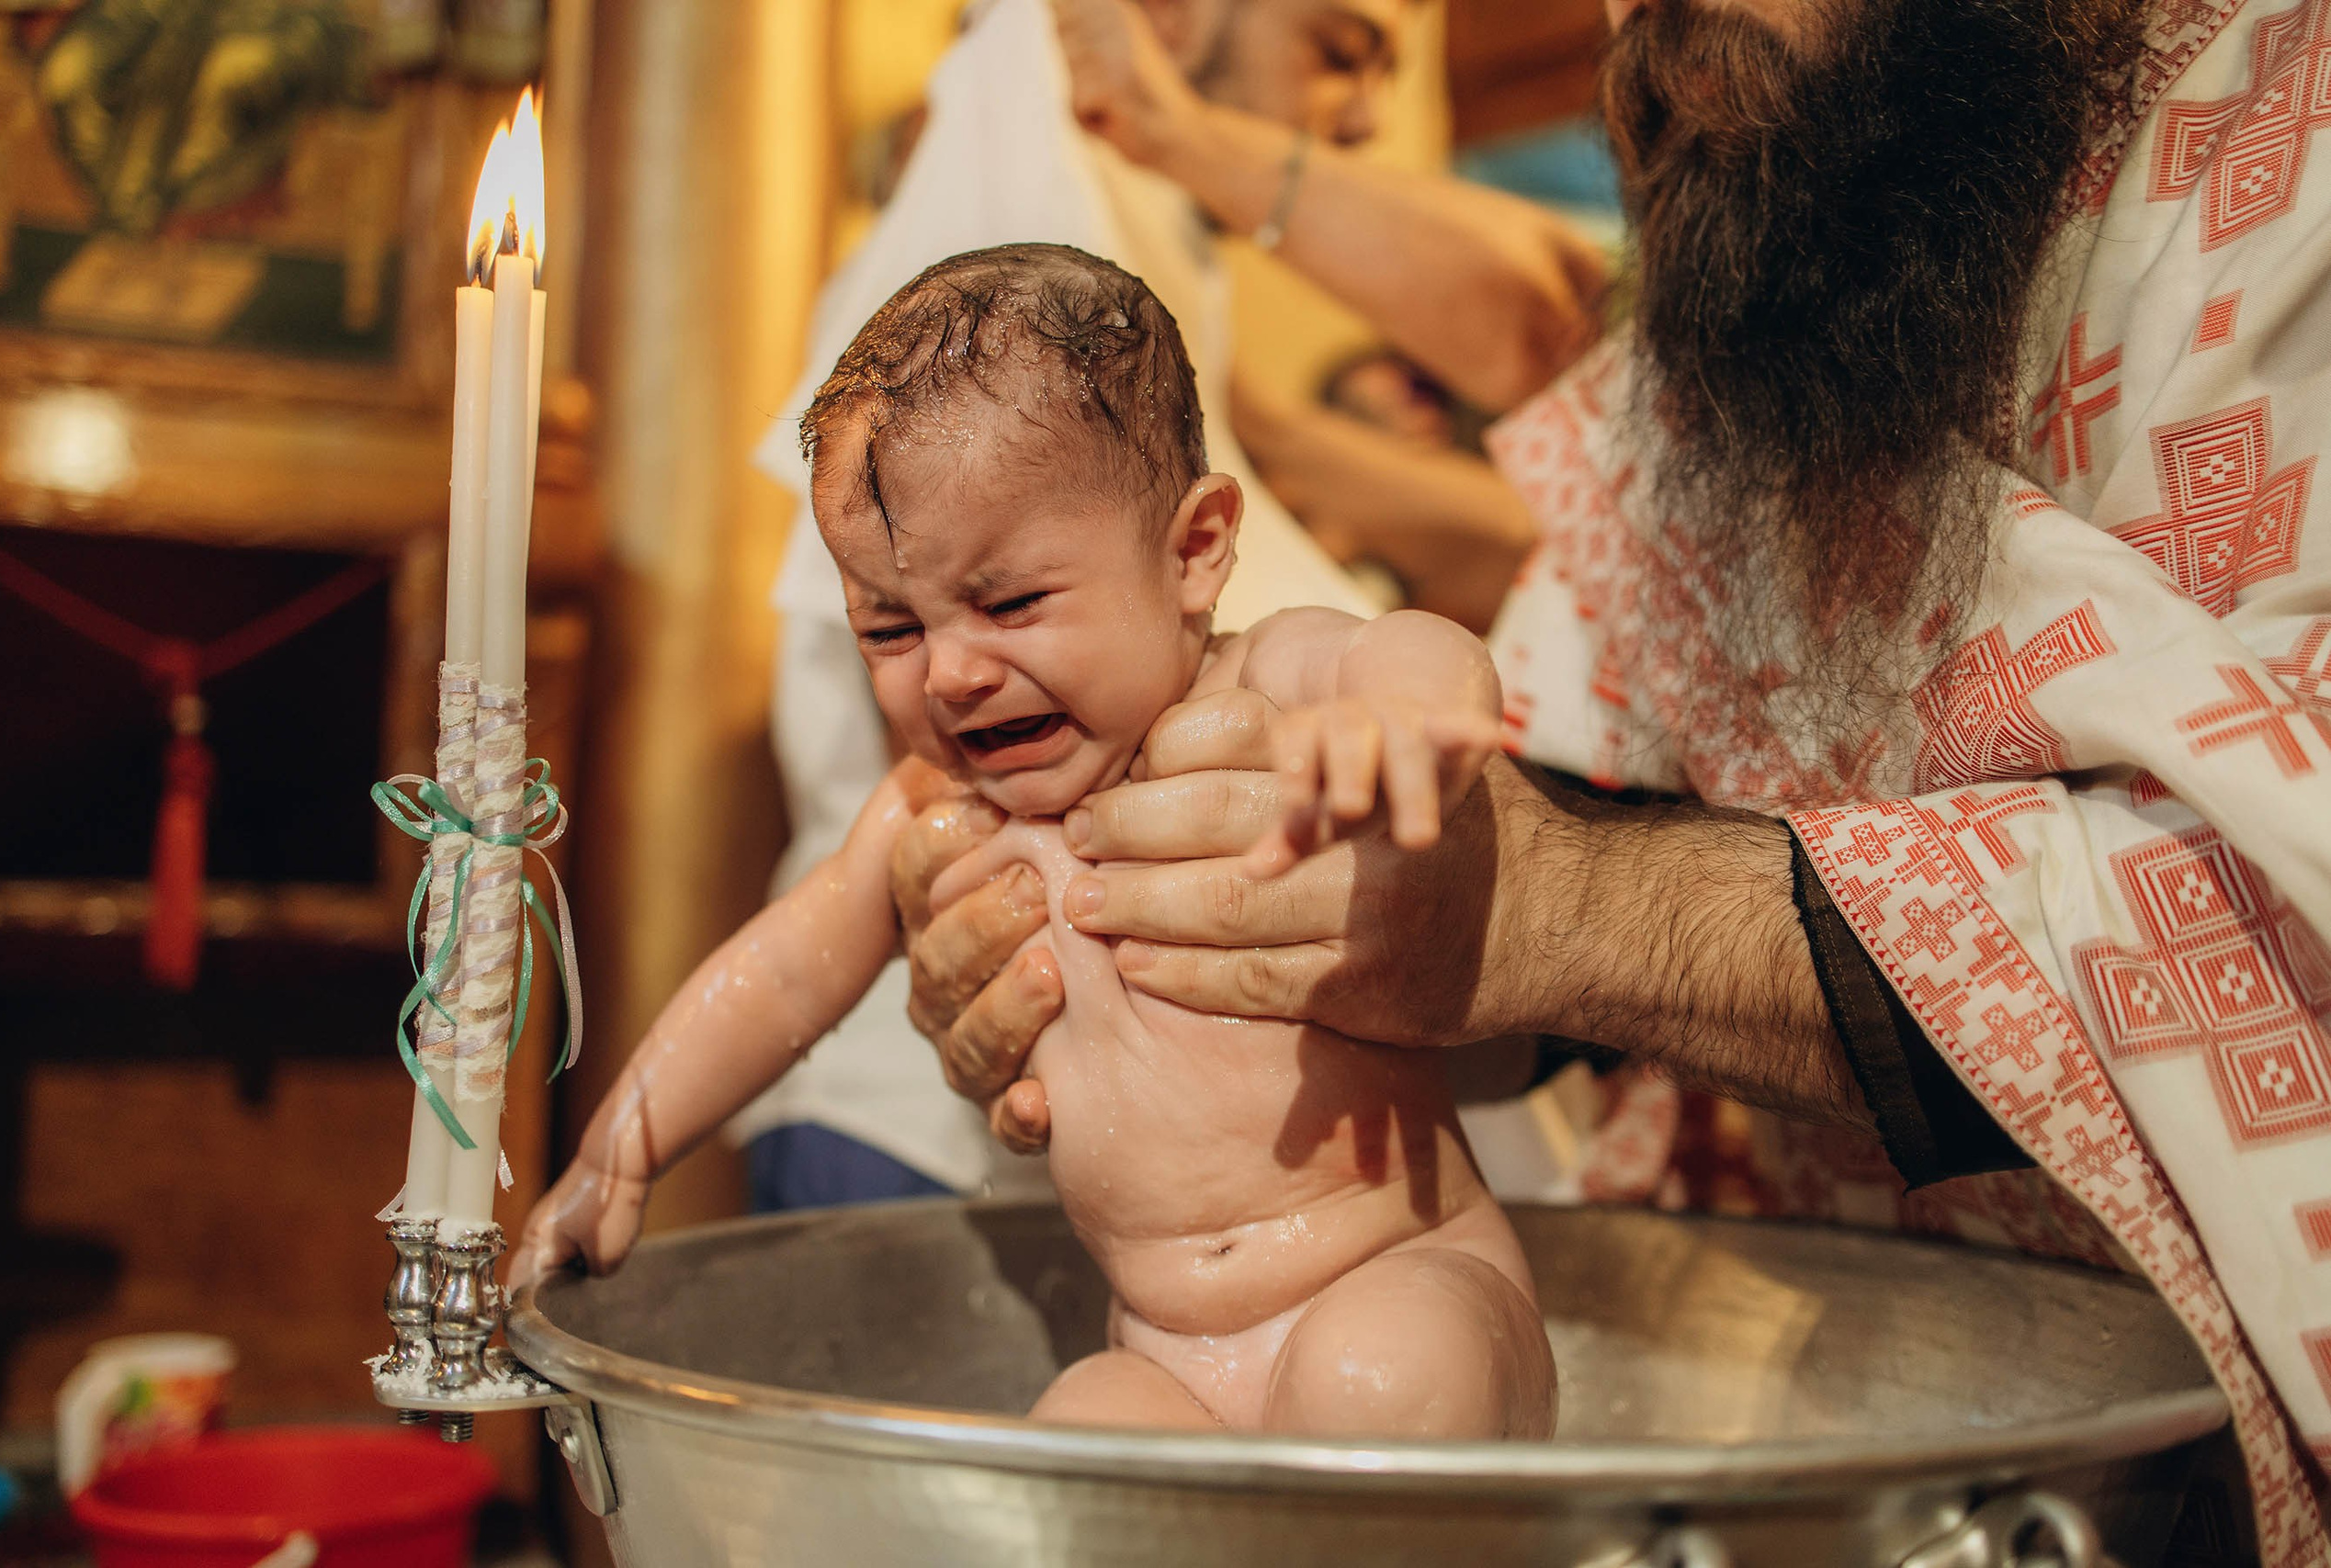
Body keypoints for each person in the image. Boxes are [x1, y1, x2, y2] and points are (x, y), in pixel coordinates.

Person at [888, 0, 2331, 1558]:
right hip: (1812, 1402)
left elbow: (2270, 887)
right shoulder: (1788, 205)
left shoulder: (2285, 149)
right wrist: (1189, 979)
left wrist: (1552, 906)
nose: (1634, 25)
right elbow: (1582, 832)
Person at [515, 244, 1557, 1438]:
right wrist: (624, 1142)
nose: (953, 672)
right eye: (891, 626)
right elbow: (783, 973)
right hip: (1170, 1352)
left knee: (1373, 1380)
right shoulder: (937, 813)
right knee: (1081, 1432)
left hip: (1401, 1274)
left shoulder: (1254, 689)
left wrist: (1401, 718)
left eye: (1011, 604)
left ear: (1194, 551)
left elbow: (1403, 646)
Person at [738, 0, 1605, 1213]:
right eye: (1339, 50)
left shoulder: (1152, 251)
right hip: (956, 1146)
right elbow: (967, 818)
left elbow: (1557, 329)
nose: (1363, 120)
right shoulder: (1013, 271)